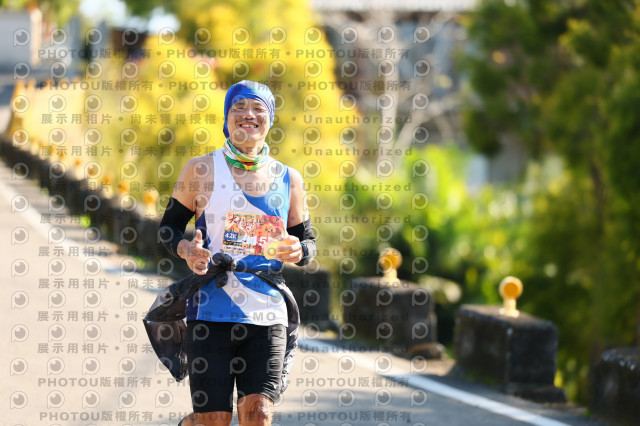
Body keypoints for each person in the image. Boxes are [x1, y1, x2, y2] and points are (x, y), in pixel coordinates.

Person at [158, 80, 316, 426]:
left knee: (259, 414)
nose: (249, 115)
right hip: (210, 311)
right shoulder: (201, 169)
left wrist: (298, 249)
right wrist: (187, 250)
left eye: (259, 108)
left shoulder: (289, 178)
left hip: (267, 312)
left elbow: (307, 242)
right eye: (239, 107)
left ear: (269, 120)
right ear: (226, 119)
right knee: (213, 420)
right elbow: (168, 227)